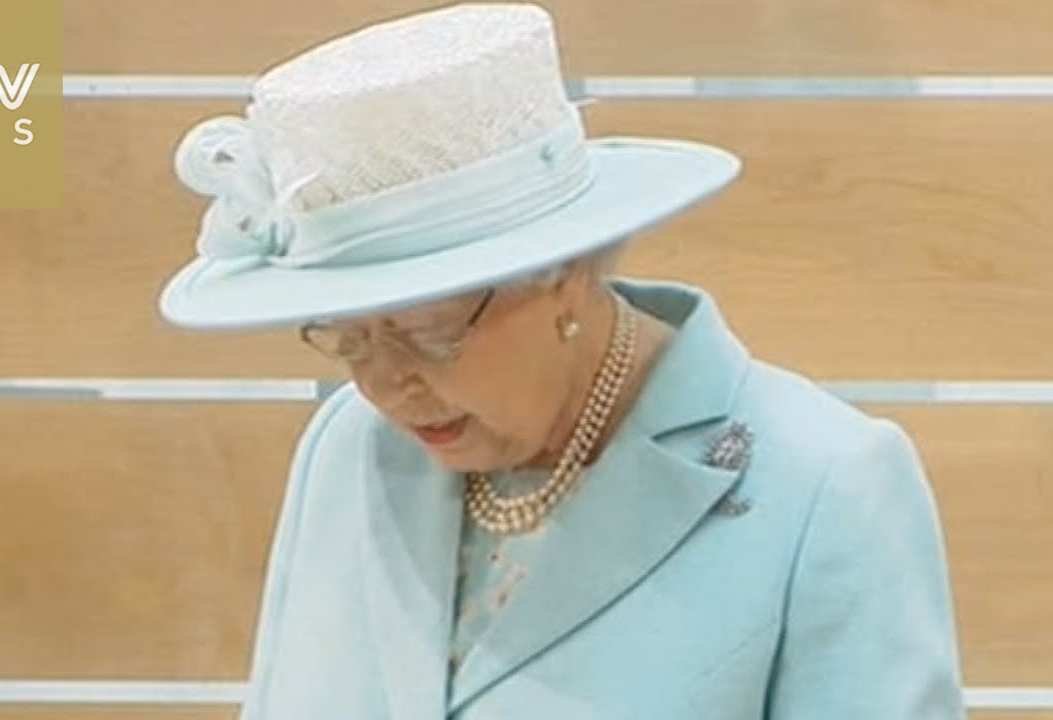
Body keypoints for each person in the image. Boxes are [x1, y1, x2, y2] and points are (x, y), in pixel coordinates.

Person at [157, 3, 967, 718]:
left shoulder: (825, 484)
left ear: (566, 274)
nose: (385, 384)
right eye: (345, 335)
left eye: (426, 329)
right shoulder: (346, 446)